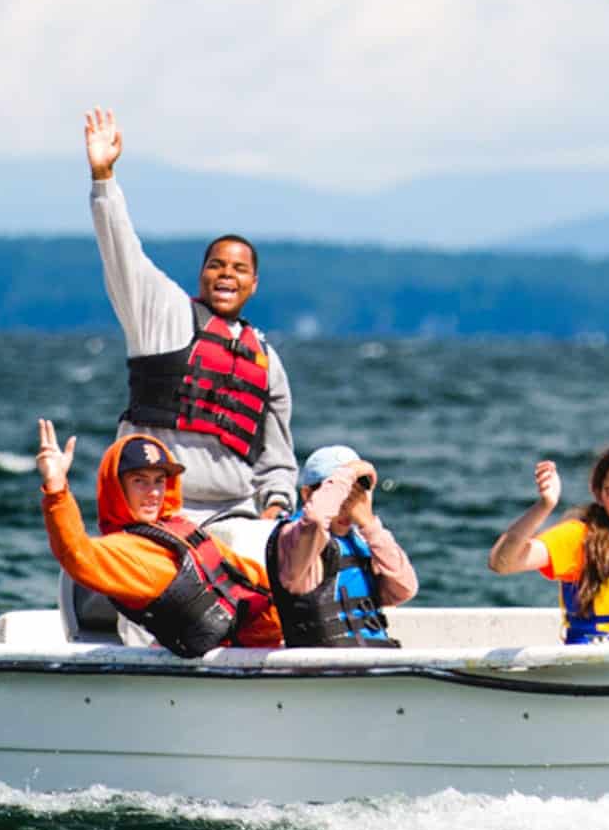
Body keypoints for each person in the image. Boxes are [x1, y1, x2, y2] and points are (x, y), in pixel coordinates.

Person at [82, 107, 296, 522]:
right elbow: (122, 252)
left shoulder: (266, 361)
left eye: (239, 269)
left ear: (254, 284)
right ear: (201, 275)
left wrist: (275, 507)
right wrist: (104, 179)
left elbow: (279, 456)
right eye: (216, 265)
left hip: (235, 514)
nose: (226, 275)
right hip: (155, 508)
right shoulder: (163, 315)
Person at [34, 420, 284, 655]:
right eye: (139, 481)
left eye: (160, 481)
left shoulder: (182, 529)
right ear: (118, 487)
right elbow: (75, 554)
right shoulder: (120, 551)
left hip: (278, 635)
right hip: (234, 657)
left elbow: (249, 575)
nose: (153, 492)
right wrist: (56, 486)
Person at [487, 444, 609, 645]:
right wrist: (545, 505)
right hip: (592, 664)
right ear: (598, 494)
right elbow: (502, 563)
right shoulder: (577, 538)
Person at [266, 444, 418, 648]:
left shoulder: (361, 542)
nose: (346, 506)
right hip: (326, 667)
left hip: (377, 660)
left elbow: (405, 588)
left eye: (354, 496)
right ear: (306, 495)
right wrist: (350, 473)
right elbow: (316, 520)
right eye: (340, 495)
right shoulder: (294, 539)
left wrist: (370, 525)